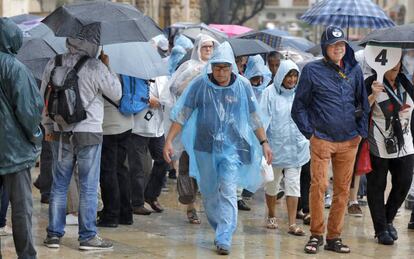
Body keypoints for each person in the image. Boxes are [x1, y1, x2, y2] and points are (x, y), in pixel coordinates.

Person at [163, 42, 272, 255]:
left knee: (229, 190)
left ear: (232, 66)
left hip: (231, 147)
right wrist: (169, 141)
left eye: (225, 67)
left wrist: (264, 142)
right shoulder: (199, 85)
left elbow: (254, 117)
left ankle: (224, 236)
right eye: (217, 67)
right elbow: (183, 113)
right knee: (210, 192)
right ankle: (218, 227)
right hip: (204, 146)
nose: (221, 72)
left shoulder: (242, 85)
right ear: (211, 66)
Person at [292, 26, 369, 254]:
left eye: (342, 45)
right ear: (325, 47)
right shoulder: (311, 71)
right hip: (322, 139)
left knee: (343, 190)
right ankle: (316, 235)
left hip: (349, 140)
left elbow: (363, 103)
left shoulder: (354, 71)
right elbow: (299, 108)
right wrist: (311, 134)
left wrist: (360, 133)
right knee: (319, 186)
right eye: (334, 45)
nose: (338, 48)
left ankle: (334, 237)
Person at [41, 37, 122, 250]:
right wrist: (107, 66)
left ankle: (53, 235)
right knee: (88, 185)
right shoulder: (95, 65)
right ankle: (87, 236)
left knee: (59, 184)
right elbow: (117, 93)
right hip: (89, 133)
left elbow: (44, 97)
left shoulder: (54, 62)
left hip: (60, 131)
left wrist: (48, 127)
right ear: (92, 43)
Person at [161, 34, 218, 224]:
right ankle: (190, 204)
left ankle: (211, 205)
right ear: (198, 48)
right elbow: (174, 89)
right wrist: (195, 80)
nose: (208, 50)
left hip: (209, 126)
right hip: (189, 124)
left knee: (208, 167)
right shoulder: (189, 67)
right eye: (205, 47)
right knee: (186, 164)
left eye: (211, 47)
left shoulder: (219, 69)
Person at [0, 17, 43, 258]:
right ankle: (26, 255)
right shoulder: (15, 68)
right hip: (13, 150)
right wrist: (36, 135)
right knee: (21, 208)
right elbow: (28, 110)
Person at [365, 59, 414, 245]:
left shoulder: (406, 82)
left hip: (406, 141)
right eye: (392, 68)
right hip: (378, 143)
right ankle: (380, 229)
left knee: (404, 182)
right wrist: (372, 95)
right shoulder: (371, 83)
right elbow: (359, 110)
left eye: (398, 66)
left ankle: (387, 219)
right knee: (376, 186)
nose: (395, 70)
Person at [260, 59, 309, 236]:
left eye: (295, 75)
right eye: (289, 75)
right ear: (281, 75)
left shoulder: (300, 94)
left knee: (293, 185)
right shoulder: (269, 94)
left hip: (296, 148)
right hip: (275, 148)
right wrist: (264, 143)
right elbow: (262, 119)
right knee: (272, 186)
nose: (292, 79)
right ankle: (272, 215)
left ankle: (292, 224)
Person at [98, 74, 134, 227]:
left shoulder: (105, 70)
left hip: (109, 125)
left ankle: (111, 214)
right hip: (126, 122)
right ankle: (126, 214)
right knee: (121, 169)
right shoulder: (125, 68)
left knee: (108, 171)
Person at [130, 76, 170, 215]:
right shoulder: (136, 73)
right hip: (138, 126)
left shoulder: (164, 76)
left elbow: (169, 94)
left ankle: (151, 194)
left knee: (164, 160)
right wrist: (147, 99)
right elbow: (130, 93)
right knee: (138, 167)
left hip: (158, 128)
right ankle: (137, 203)